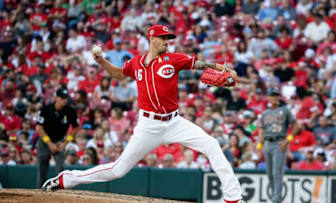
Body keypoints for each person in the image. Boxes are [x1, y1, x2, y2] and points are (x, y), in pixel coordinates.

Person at [42, 24, 244, 203]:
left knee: (212, 145)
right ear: (152, 39)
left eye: (168, 38)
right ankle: (65, 179)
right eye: (163, 38)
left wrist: (223, 68)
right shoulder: (136, 62)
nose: (167, 41)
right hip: (148, 125)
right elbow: (119, 74)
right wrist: (101, 61)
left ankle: (234, 198)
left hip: (174, 122)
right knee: (117, 170)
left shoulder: (173, 59)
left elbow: (200, 64)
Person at [257, 87, 295, 203]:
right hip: (267, 143)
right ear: (268, 97)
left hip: (279, 143)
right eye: (272, 95)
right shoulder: (265, 113)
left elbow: (297, 126)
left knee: (277, 173)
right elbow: (262, 131)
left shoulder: (285, 110)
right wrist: (259, 147)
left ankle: (276, 200)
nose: (274, 97)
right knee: (269, 174)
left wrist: (287, 141)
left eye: (276, 95)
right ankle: (275, 199)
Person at [36, 88, 79, 188]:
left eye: (66, 98)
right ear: (56, 98)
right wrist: (49, 144)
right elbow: (39, 128)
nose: (65, 100)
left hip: (60, 141)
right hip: (45, 141)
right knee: (42, 169)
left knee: (61, 168)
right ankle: (39, 194)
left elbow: (76, 127)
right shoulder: (46, 109)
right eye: (62, 98)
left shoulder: (70, 111)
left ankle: (60, 193)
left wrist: (65, 143)